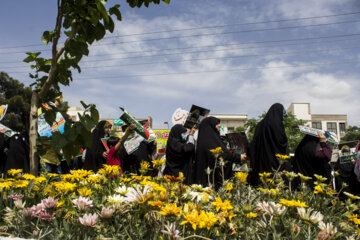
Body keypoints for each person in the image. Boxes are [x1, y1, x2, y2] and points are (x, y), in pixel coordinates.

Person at [193, 116, 246, 189]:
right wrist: (238, 157)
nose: (219, 125)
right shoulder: (208, 142)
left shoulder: (208, 140)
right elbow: (220, 157)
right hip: (213, 183)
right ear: (210, 126)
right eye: (217, 123)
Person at [248, 103, 288, 186]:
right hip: (275, 162)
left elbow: (253, 144)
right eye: (283, 116)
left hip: (261, 163)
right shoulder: (277, 124)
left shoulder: (260, 125)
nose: (283, 119)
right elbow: (281, 142)